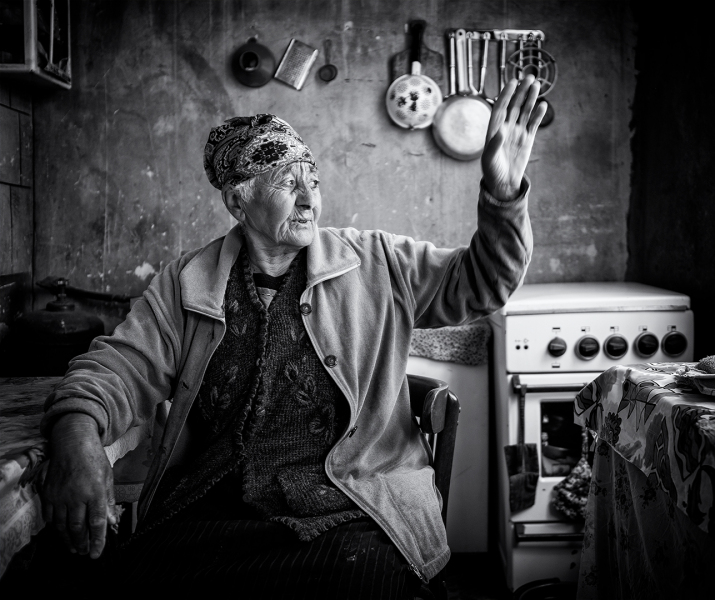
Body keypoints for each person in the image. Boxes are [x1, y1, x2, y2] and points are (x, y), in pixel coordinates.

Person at [39, 75, 546, 598]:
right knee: (119, 581)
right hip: (219, 509)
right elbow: (119, 368)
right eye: (287, 183)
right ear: (239, 203)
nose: (309, 201)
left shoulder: (377, 262)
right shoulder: (188, 282)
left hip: (353, 508)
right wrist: (77, 436)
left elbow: (485, 282)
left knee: (362, 579)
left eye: (314, 181)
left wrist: (503, 194)